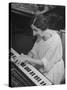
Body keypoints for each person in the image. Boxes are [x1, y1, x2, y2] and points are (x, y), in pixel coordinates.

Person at [21, 13, 64, 84]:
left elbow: (44, 63)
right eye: (32, 30)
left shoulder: (55, 40)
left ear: (44, 28)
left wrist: (27, 59)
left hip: (53, 69)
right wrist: (28, 56)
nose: (33, 34)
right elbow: (33, 51)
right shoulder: (41, 34)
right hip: (41, 63)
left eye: (35, 30)